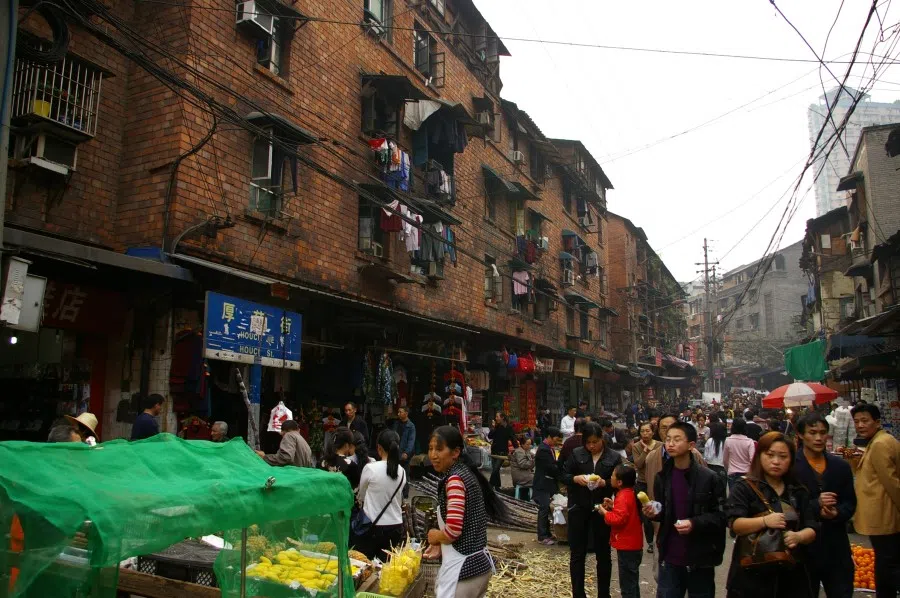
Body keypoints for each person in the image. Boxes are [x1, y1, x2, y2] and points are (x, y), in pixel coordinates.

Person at [725, 432, 818, 598]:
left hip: (791, 574)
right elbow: (735, 525)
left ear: (791, 460)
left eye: (783, 456)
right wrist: (765, 521)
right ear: (759, 456)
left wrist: (799, 536)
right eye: (769, 455)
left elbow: (812, 527)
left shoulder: (797, 491)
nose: (776, 461)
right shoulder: (744, 487)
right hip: (751, 573)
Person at [645, 422, 727, 598]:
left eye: (677, 439)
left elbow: (721, 516)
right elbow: (663, 511)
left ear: (691, 445)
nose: (670, 444)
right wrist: (654, 512)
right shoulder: (662, 476)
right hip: (670, 556)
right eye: (667, 439)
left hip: (700, 558)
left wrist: (694, 523)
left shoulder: (710, 478)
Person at [425, 425, 506, 597]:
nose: (433, 455)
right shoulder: (465, 473)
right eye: (430, 449)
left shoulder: (455, 481)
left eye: (439, 449)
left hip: (464, 570)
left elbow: (453, 531)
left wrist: (435, 536)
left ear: (455, 453)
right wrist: (440, 545)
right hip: (477, 567)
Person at [793, 412, 856, 598]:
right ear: (800, 434)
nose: (819, 438)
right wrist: (815, 504)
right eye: (812, 432)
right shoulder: (792, 467)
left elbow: (850, 502)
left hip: (836, 546)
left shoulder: (840, 466)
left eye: (823, 432)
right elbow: (788, 506)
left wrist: (837, 513)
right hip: (804, 548)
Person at [562, 421, 623, 598]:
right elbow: (564, 475)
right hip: (578, 508)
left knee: (603, 554)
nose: (591, 446)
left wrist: (606, 483)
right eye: (588, 442)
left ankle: (604, 594)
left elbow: (621, 484)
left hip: (602, 510)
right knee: (577, 554)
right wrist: (575, 479)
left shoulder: (613, 457)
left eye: (595, 442)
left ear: (602, 439)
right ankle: (578, 593)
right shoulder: (576, 454)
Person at [851, 404, 900, 598]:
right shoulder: (876, 441)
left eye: (865, 420)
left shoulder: (880, 443)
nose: (860, 425)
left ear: (877, 422)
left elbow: (893, 483)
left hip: (884, 514)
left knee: (889, 562)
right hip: (880, 514)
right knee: (884, 561)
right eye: (856, 422)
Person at [356, 430, 407, 560]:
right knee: (388, 569)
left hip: (372, 526)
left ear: (379, 448)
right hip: (396, 526)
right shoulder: (402, 471)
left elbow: (361, 495)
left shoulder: (370, 468)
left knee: (368, 568)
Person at [596, 464, 643, 598]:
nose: (610, 478)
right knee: (632, 581)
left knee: (627, 584)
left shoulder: (623, 496)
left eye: (612, 476)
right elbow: (625, 512)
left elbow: (618, 519)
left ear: (620, 482)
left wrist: (604, 511)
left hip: (627, 545)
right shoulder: (629, 493)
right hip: (634, 543)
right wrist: (613, 505)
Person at [643, 414, 705, 503]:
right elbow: (649, 484)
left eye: (672, 427)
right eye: (664, 428)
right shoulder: (651, 457)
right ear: (658, 432)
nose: (668, 431)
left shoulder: (694, 455)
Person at [632, 421, 660, 553]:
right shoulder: (637, 446)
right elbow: (638, 464)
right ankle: (650, 542)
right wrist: (645, 450)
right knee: (647, 515)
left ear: (653, 432)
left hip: (657, 482)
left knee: (659, 510)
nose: (645, 433)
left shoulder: (660, 445)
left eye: (648, 431)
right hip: (643, 483)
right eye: (642, 431)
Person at [534, 427, 563, 545]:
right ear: (550, 436)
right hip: (542, 484)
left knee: (547, 509)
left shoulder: (549, 448)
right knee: (544, 509)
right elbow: (551, 468)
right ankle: (542, 536)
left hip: (548, 484)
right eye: (556, 439)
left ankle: (548, 533)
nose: (558, 441)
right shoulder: (543, 450)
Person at [723, 418, 756, 491]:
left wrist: (728, 469)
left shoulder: (728, 440)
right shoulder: (749, 441)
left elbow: (725, 459)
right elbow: (752, 459)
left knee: (734, 498)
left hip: (732, 473)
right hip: (746, 473)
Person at [488, 412, 517, 489]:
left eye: (497, 417)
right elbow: (490, 436)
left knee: (495, 470)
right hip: (494, 451)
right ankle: (497, 487)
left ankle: (489, 486)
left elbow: (513, 439)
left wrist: (517, 449)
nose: (496, 418)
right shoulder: (496, 427)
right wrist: (493, 427)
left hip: (502, 452)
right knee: (496, 471)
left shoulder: (508, 428)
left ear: (502, 418)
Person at [392, 406, 416, 495]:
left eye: (400, 412)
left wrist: (407, 452)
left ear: (406, 413)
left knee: (405, 473)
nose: (398, 414)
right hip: (396, 451)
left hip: (405, 453)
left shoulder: (411, 426)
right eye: (398, 412)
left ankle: (405, 494)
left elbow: (411, 440)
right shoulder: (396, 424)